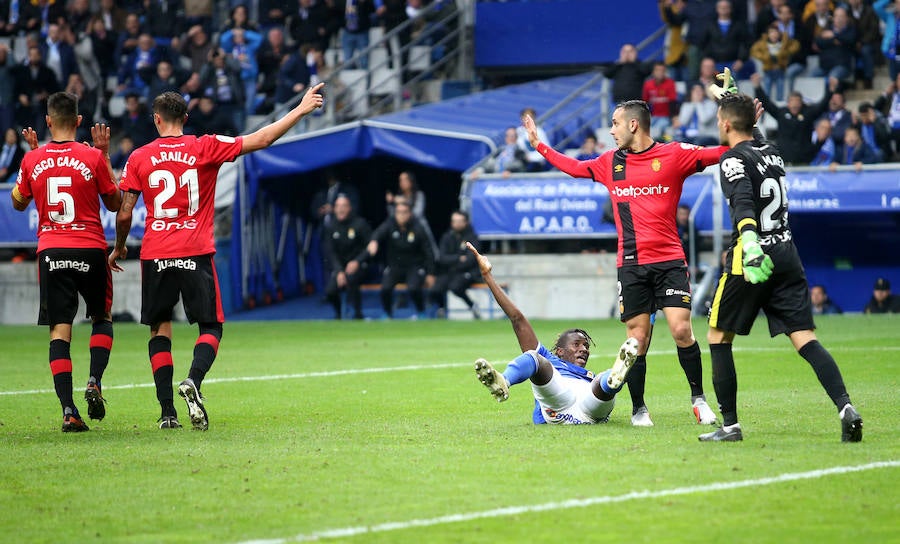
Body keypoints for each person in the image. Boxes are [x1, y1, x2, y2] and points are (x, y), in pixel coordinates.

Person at [108, 84, 325, 430]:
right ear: (186, 119)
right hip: (195, 250)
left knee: (159, 328)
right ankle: (193, 380)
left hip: (156, 252)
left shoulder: (139, 157)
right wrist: (299, 109)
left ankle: (167, 413)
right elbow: (262, 139)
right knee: (211, 326)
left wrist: (119, 246)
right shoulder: (205, 146)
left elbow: (123, 213)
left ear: (156, 119)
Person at [523, 99, 727, 427]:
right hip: (631, 264)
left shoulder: (674, 154)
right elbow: (573, 168)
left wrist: (747, 131)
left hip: (670, 260)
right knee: (637, 340)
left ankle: (699, 399)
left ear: (634, 125)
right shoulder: (610, 163)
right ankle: (639, 409)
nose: (611, 130)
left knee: (681, 330)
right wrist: (539, 145)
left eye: (615, 123)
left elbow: (718, 153)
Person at [701, 92, 862, 442]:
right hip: (788, 252)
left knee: (717, 336)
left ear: (726, 124)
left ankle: (730, 426)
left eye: (719, 119)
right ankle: (845, 406)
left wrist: (750, 242)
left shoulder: (731, 159)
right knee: (805, 338)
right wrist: (749, 119)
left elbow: (742, 201)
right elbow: (753, 142)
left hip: (754, 254)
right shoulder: (771, 151)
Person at [10, 92, 121, 432]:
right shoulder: (92, 156)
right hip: (90, 248)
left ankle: (69, 411)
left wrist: (31, 162)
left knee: (60, 330)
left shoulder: (33, 159)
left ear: (47, 122)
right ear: (77, 121)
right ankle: (94, 380)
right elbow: (115, 203)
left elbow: (17, 203)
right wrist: (103, 153)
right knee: (101, 315)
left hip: (52, 252)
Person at [468, 242, 640, 425]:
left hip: (589, 406)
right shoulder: (551, 361)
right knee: (533, 358)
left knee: (603, 381)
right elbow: (517, 319)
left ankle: (615, 376)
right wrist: (487, 276)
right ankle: (504, 381)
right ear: (560, 351)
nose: (584, 349)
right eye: (577, 344)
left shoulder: (589, 376)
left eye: (586, 346)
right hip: (558, 401)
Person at [366, 200, 435, 320]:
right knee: (385, 288)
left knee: (413, 288)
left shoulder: (418, 227)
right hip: (395, 266)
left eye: (404, 212)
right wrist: (374, 241)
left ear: (410, 214)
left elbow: (429, 252)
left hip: (414, 266)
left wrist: (430, 273)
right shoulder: (390, 224)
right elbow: (378, 233)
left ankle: (421, 312)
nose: (401, 215)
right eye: (398, 212)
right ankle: (387, 314)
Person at [752, 72, 838, 165]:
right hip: (784, 162)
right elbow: (767, 104)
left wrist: (831, 91)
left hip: (803, 162)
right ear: (788, 103)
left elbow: (822, 106)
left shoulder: (808, 114)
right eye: (792, 101)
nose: (795, 104)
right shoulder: (782, 113)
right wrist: (757, 87)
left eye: (797, 101)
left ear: (801, 103)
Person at [323, 195, 372, 320]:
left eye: (344, 206)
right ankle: (339, 314)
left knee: (352, 279)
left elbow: (370, 248)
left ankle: (358, 314)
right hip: (340, 267)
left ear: (349, 208)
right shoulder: (330, 227)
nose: (341, 209)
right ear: (334, 209)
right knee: (330, 291)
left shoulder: (360, 224)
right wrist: (339, 271)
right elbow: (331, 252)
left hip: (360, 265)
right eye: (338, 206)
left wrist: (357, 261)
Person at [431, 210, 481, 319]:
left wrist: (452, 261)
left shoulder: (472, 237)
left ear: (466, 222)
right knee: (435, 289)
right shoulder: (447, 236)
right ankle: (441, 309)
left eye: (459, 221)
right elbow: (441, 258)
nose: (457, 224)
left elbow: (470, 259)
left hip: (468, 272)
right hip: (451, 271)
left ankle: (472, 305)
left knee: (455, 287)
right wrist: (458, 258)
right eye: (454, 221)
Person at [642, 61, 678, 141]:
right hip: (652, 117)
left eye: (662, 70)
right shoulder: (648, 84)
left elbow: (672, 102)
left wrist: (674, 117)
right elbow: (645, 102)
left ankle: (661, 142)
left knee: (660, 127)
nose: (660, 73)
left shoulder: (670, 83)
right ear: (653, 72)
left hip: (666, 117)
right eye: (657, 70)